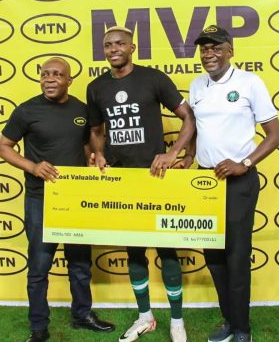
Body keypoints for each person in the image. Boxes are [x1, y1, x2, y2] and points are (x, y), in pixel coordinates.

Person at [86, 26, 195, 342]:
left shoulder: (153, 78)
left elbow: (188, 117)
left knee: (167, 251)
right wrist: (98, 153)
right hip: (122, 181)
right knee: (134, 252)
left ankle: (177, 322)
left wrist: (175, 152)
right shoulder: (96, 87)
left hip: (156, 178)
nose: (114, 49)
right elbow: (96, 130)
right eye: (108, 45)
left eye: (120, 43)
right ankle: (145, 317)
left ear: (132, 47)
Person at [176, 25, 279, 342]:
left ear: (230, 51)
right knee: (214, 257)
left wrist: (244, 163)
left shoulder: (250, 83)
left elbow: (276, 135)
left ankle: (242, 329)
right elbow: (196, 127)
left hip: (239, 182)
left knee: (236, 256)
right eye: (204, 48)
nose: (209, 54)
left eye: (216, 47)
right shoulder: (197, 86)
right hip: (206, 182)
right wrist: (189, 155)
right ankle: (229, 319)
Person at [0, 57, 115, 342]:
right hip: (40, 199)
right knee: (39, 266)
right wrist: (33, 167)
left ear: (69, 80)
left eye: (57, 74)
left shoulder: (81, 110)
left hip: (74, 199)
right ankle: (39, 326)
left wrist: (91, 157)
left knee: (80, 263)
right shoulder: (26, 110)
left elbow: (86, 143)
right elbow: (4, 147)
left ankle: (82, 315)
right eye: (45, 74)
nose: (49, 79)